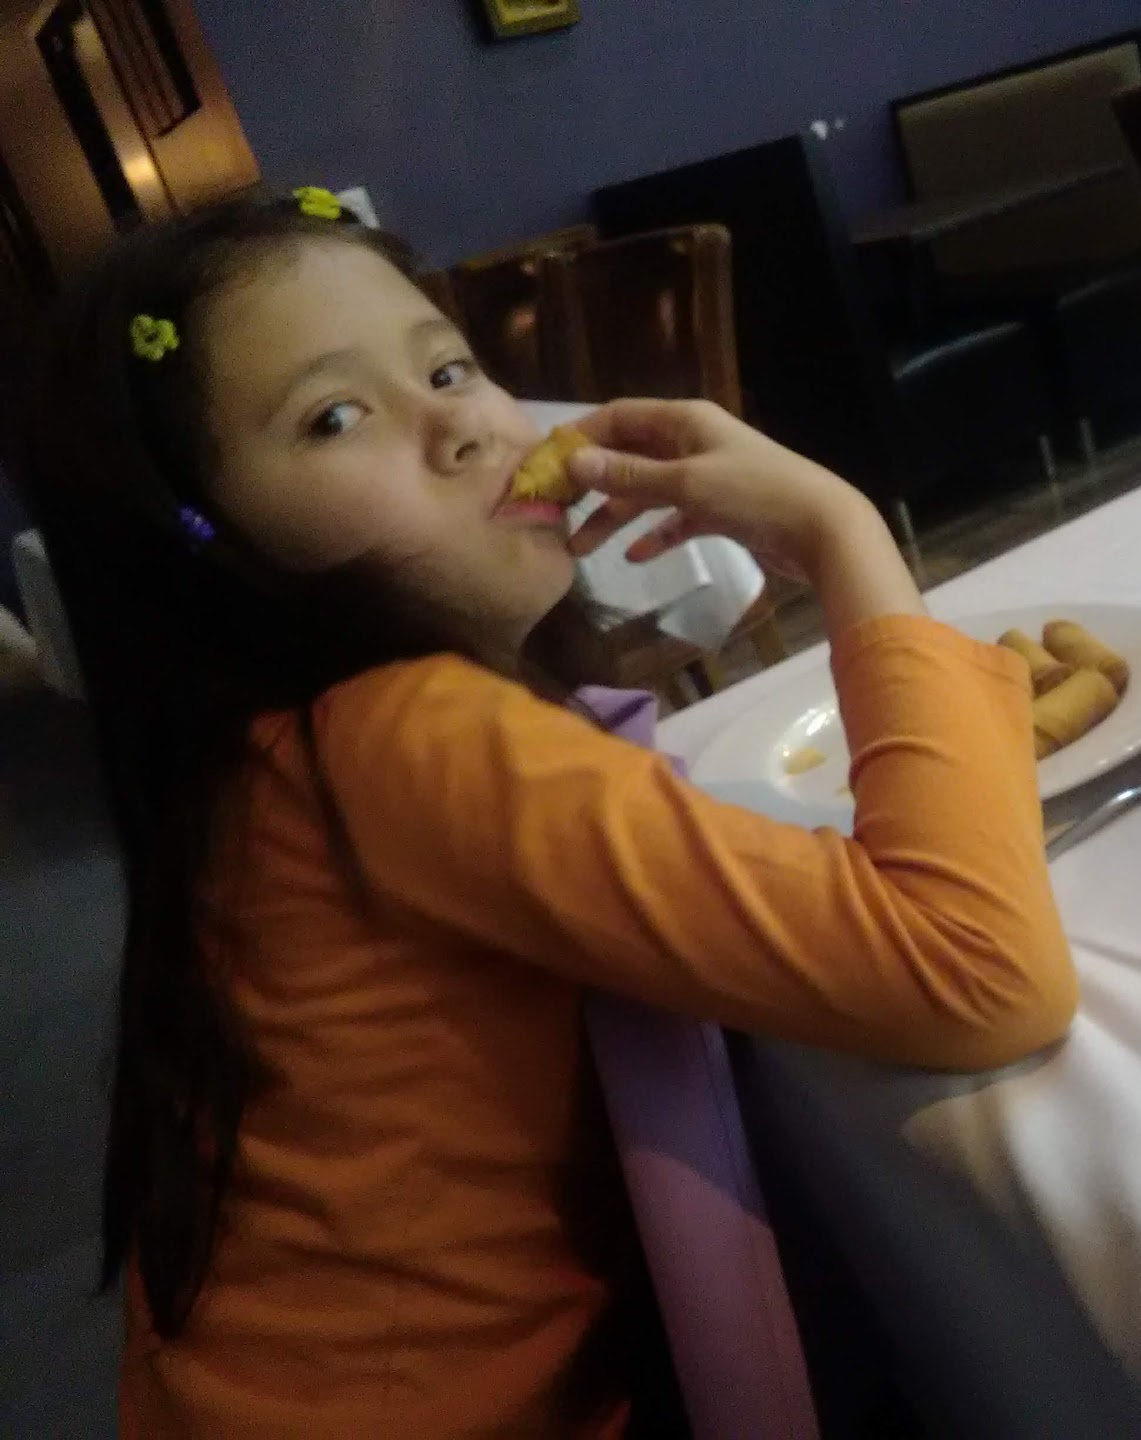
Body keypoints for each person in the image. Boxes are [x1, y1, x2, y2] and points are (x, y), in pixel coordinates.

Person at [11, 190, 1076, 1436]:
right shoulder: (401, 739)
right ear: (211, 553)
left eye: (447, 367)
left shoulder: (269, 763)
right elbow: (979, 971)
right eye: (335, 416)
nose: (461, 426)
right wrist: (841, 533)